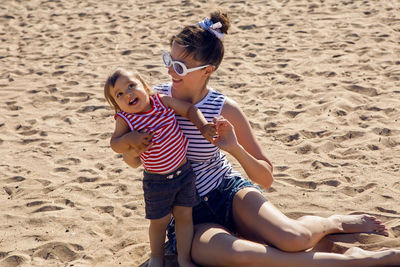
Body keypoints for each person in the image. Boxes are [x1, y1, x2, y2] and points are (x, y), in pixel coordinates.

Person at [121, 11, 400, 267]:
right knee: (250, 256)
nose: (170, 72)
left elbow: (265, 178)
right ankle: (359, 261)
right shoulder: (153, 100)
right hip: (188, 216)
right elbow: (134, 162)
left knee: (295, 238)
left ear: (207, 70)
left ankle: (332, 222)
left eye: (180, 67)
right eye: (169, 61)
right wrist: (135, 148)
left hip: (228, 192)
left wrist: (234, 149)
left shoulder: (224, 108)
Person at [103, 69, 216, 267]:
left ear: (145, 87)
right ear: (117, 105)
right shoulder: (125, 119)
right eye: (119, 94)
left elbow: (189, 110)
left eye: (131, 86)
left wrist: (203, 126)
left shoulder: (162, 101)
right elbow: (115, 144)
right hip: (156, 181)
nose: (128, 94)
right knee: (159, 222)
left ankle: (184, 258)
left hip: (184, 174)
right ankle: (157, 257)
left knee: (184, 217)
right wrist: (130, 138)